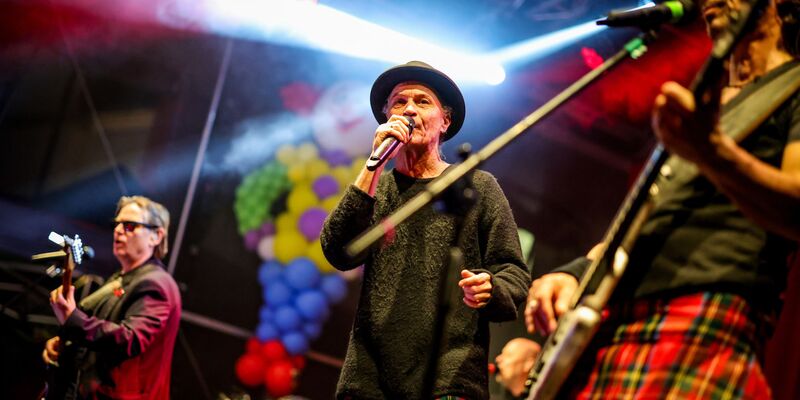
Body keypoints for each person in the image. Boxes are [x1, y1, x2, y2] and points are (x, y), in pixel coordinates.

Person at [525, 0, 800, 398]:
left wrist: (713, 152)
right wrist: (578, 272)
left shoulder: (792, 87)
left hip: (702, 308)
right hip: (617, 318)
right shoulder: (706, 106)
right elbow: (647, 217)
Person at [320, 61, 531, 399]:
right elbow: (336, 249)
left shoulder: (476, 185)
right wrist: (373, 163)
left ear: (445, 121)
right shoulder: (378, 188)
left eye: (422, 101)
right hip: (369, 380)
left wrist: (490, 287)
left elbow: (514, 273)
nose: (409, 110)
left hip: (450, 378)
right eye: (399, 102)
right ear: (386, 117)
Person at [44, 196, 181, 400]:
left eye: (130, 226)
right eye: (116, 225)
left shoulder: (157, 283)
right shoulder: (121, 278)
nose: (117, 230)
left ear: (156, 236)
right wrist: (66, 345)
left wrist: (73, 320)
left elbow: (130, 339)